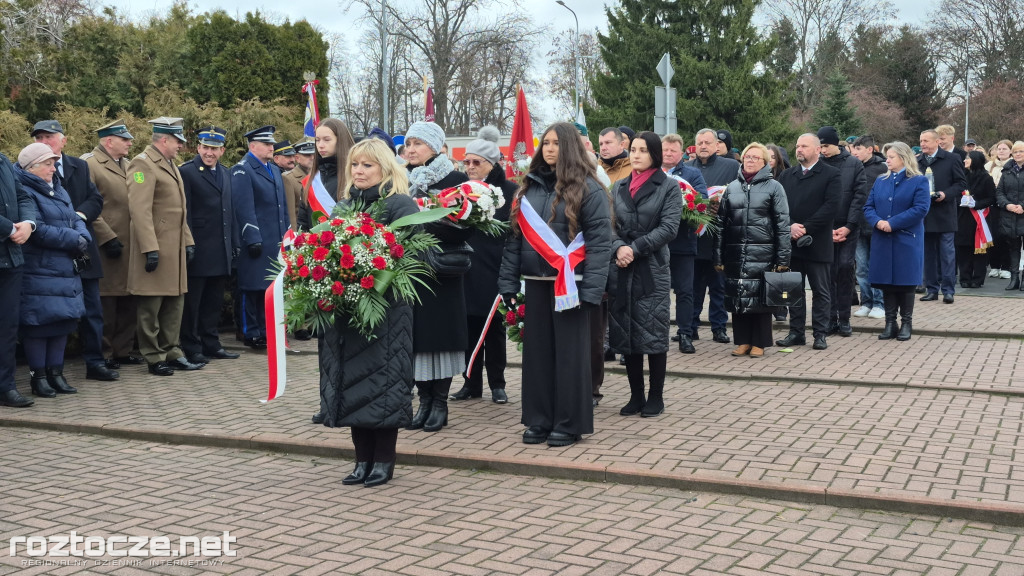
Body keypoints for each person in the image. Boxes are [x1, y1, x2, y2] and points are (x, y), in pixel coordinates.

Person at [498, 121, 613, 447]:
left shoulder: (589, 189)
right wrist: (507, 282)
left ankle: (569, 422)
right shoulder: (527, 188)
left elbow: (601, 244)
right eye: (545, 143)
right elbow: (514, 241)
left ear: (571, 148)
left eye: (556, 143)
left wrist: (592, 291)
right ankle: (538, 419)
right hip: (535, 284)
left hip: (572, 287)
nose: (549, 148)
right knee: (537, 357)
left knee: (570, 358)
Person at [321, 138, 421, 488]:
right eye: (355, 165)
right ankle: (361, 459)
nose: (359, 171)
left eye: (367, 165)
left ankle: (383, 461)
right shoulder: (343, 207)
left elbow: (416, 257)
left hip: (386, 314)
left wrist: (376, 268)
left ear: (384, 169)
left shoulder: (400, 205)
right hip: (347, 313)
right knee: (352, 386)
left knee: (382, 385)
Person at [32, 120, 119, 382]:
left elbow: (95, 199)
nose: (45, 142)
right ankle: (50, 370)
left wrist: (78, 216)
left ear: (63, 141)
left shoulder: (79, 166)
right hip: (52, 254)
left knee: (92, 307)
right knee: (53, 309)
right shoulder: (28, 169)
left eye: (50, 137)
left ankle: (95, 362)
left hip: (82, 250)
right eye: (40, 138)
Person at [402, 121, 471, 433]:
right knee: (417, 339)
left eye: (418, 143)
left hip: (442, 271)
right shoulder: (402, 180)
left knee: (440, 339)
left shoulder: (455, 179)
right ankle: (424, 401)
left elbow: (466, 224)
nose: (411, 149)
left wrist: (421, 221)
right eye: (408, 143)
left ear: (435, 145)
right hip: (410, 272)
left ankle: (440, 402)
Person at [608, 131, 681, 417]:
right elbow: (608, 225)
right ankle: (635, 395)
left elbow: (669, 228)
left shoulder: (669, 187)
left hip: (652, 270)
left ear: (654, 154)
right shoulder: (619, 186)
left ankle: (656, 397)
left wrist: (634, 248)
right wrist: (617, 248)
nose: (635, 155)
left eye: (642, 150)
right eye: (633, 150)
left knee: (653, 332)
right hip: (623, 269)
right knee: (628, 333)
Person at [127, 117, 202, 376]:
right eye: (178, 141)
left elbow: (179, 211)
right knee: (151, 306)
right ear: (164, 140)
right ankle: (153, 356)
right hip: (157, 247)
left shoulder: (170, 164)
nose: (181, 146)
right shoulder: (142, 164)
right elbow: (140, 210)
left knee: (174, 303)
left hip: (175, 249)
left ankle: (172, 351)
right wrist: (149, 248)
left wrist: (189, 241)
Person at [15, 142, 91, 397]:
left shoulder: (58, 189)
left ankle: (56, 374)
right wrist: (74, 239)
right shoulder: (24, 190)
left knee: (62, 321)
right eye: (47, 164)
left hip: (64, 268)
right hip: (40, 268)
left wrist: (83, 237)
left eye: (52, 163)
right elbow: (37, 230)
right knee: (39, 324)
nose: (52, 168)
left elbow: (75, 219)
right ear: (32, 167)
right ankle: (39, 377)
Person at [450, 126, 515, 404]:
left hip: (496, 265)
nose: (470, 167)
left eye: (477, 162)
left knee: (495, 327)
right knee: (468, 326)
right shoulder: (460, 190)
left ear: (492, 163)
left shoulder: (510, 190)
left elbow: (514, 230)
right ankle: (470, 382)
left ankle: (497, 384)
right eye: (466, 161)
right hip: (468, 265)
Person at [714, 142, 791, 358]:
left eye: (756, 157)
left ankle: (760, 342)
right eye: (748, 156)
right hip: (736, 252)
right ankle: (742, 341)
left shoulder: (775, 187)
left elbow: (782, 224)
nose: (750, 160)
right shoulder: (732, 187)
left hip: (763, 253)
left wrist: (783, 258)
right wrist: (718, 255)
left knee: (760, 299)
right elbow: (721, 224)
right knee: (739, 298)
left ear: (765, 162)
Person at [84, 120, 143, 368]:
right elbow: (87, 205)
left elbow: (141, 194)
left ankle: (123, 349)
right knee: (107, 302)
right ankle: (104, 353)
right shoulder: (90, 164)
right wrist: (107, 237)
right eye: (125, 139)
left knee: (129, 299)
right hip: (107, 244)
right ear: (109, 141)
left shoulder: (130, 166)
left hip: (132, 244)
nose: (130, 143)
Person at [310, 118, 357, 425]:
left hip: (348, 267)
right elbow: (304, 218)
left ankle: (346, 400)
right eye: (317, 140)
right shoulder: (312, 178)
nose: (321, 145)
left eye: (326, 139)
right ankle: (327, 401)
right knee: (325, 340)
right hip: (318, 264)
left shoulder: (353, 175)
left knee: (346, 339)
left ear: (340, 140)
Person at [179, 127, 239, 363]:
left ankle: (211, 343)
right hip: (199, 249)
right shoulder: (188, 172)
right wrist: (188, 243)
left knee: (213, 301)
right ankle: (192, 347)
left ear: (222, 150)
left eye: (214, 149)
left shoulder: (225, 173)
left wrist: (234, 243)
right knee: (193, 304)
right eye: (205, 147)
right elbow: (186, 214)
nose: (209, 153)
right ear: (198, 148)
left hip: (220, 249)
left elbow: (230, 213)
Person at [775, 133, 841, 351]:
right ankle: (796, 332)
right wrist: (791, 226)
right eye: (797, 146)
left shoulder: (831, 174)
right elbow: (780, 206)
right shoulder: (787, 175)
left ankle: (820, 333)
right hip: (792, 243)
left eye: (804, 146)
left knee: (820, 290)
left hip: (817, 242)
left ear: (817, 149)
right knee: (794, 290)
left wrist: (805, 228)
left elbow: (831, 206)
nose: (799, 149)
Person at [864, 142, 931, 341]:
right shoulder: (881, 180)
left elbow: (920, 209)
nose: (887, 160)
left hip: (906, 239)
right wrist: (878, 222)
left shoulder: (918, 181)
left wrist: (892, 223)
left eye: (891, 157)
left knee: (905, 282)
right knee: (887, 281)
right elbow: (868, 206)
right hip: (883, 238)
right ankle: (890, 323)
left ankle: (906, 323)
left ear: (903, 157)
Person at [231, 125, 290, 349]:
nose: (271, 147)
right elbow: (243, 207)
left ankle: (267, 330)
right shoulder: (242, 170)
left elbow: (281, 205)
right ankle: (251, 332)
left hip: (274, 239)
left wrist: (287, 234)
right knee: (251, 288)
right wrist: (252, 237)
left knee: (269, 288)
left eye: (272, 143)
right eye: (267, 144)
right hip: (255, 240)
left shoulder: (273, 169)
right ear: (253, 146)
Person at [687, 128, 737, 345]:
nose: (704, 146)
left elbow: (739, 195)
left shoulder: (732, 167)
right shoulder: (686, 169)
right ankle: (690, 326)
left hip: (719, 238)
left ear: (717, 145)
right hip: (694, 238)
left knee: (719, 287)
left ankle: (719, 327)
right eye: (700, 143)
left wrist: (722, 207)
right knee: (692, 286)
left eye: (708, 142)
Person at [817, 126, 867, 338]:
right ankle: (829, 318)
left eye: (826, 146)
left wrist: (849, 226)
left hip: (848, 226)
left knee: (845, 269)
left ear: (835, 144)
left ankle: (844, 318)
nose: (822, 150)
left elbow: (859, 196)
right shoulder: (818, 165)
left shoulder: (854, 164)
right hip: (824, 229)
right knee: (826, 274)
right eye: (819, 146)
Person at [663, 133, 708, 354]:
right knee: (656, 291)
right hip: (656, 244)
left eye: (673, 150)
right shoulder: (651, 173)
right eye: (665, 149)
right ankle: (657, 332)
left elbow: (701, 203)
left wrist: (684, 202)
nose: (668, 153)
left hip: (683, 243)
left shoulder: (692, 173)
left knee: (685, 291)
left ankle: (685, 333)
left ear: (681, 153)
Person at [0, 149, 37, 408]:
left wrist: (27, 223)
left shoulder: (2, 160)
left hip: (11, 258)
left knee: (8, 327)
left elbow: (22, 195)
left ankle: (6, 387)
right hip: (8, 240)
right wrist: (10, 228)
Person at [918, 129, 967, 303]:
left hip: (945, 213)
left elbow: (961, 183)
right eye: (921, 140)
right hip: (925, 214)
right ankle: (931, 289)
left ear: (937, 141)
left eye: (926, 141)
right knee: (928, 254)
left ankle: (948, 290)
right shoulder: (918, 161)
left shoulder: (952, 159)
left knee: (947, 253)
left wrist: (945, 194)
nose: (923, 144)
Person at [849, 136, 887, 318]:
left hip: (876, 224)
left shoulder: (883, 168)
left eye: (858, 149)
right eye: (852, 149)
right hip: (857, 225)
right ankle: (866, 302)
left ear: (869, 149)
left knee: (878, 265)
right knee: (862, 267)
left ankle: (880, 304)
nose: (854, 153)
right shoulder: (852, 167)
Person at [955, 150, 996, 289]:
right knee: (963, 248)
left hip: (980, 217)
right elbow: (956, 193)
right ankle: (965, 278)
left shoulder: (986, 178)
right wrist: (960, 201)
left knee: (979, 250)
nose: (965, 160)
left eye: (968, 158)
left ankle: (977, 279)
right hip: (963, 217)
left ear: (975, 160)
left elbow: (991, 198)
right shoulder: (962, 176)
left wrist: (976, 204)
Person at [995, 141, 1024, 290]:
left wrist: (1022, 206)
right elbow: (999, 192)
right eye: (1016, 151)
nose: (1018, 154)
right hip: (1010, 215)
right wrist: (1007, 205)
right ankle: (1014, 279)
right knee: (1013, 248)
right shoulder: (1006, 171)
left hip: (1022, 214)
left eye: (1021, 151)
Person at [986, 140, 1014, 280]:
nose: (1001, 151)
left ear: (1010, 151)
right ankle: (994, 266)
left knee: (1006, 237)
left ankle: (1006, 266)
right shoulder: (989, 166)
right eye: (999, 148)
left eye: (1004, 149)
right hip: (991, 205)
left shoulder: (1013, 166)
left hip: (1007, 205)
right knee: (992, 236)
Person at [283, 139, 315, 233]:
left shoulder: (318, 176)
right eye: (307, 155)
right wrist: (295, 235)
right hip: (301, 231)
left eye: (314, 154)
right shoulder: (289, 178)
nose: (312, 157)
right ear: (297, 158)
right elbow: (291, 212)